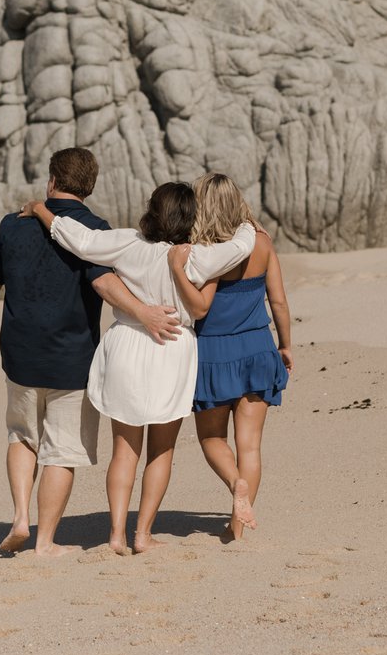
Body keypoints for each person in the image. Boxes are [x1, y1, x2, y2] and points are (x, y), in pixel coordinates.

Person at [0, 148, 180, 558]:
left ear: (52, 180)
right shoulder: (96, 231)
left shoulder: (13, 226)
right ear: (90, 186)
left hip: (20, 355)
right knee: (61, 451)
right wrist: (144, 313)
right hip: (72, 360)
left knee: (22, 436)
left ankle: (18, 516)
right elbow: (104, 285)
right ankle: (45, 541)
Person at [23, 185, 255, 555]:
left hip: (128, 346)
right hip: (172, 349)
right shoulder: (197, 256)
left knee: (123, 451)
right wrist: (245, 221)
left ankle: (116, 534)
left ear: (152, 211)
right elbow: (243, 246)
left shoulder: (129, 243)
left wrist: (39, 209)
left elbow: (76, 239)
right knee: (160, 451)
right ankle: (142, 535)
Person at [168, 172, 292, 543]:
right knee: (250, 445)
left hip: (213, 354)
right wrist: (285, 345)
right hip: (257, 348)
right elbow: (280, 301)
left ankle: (235, 483)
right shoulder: (262, 243)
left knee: (211, 438)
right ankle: (237, 527)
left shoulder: (202, 252)